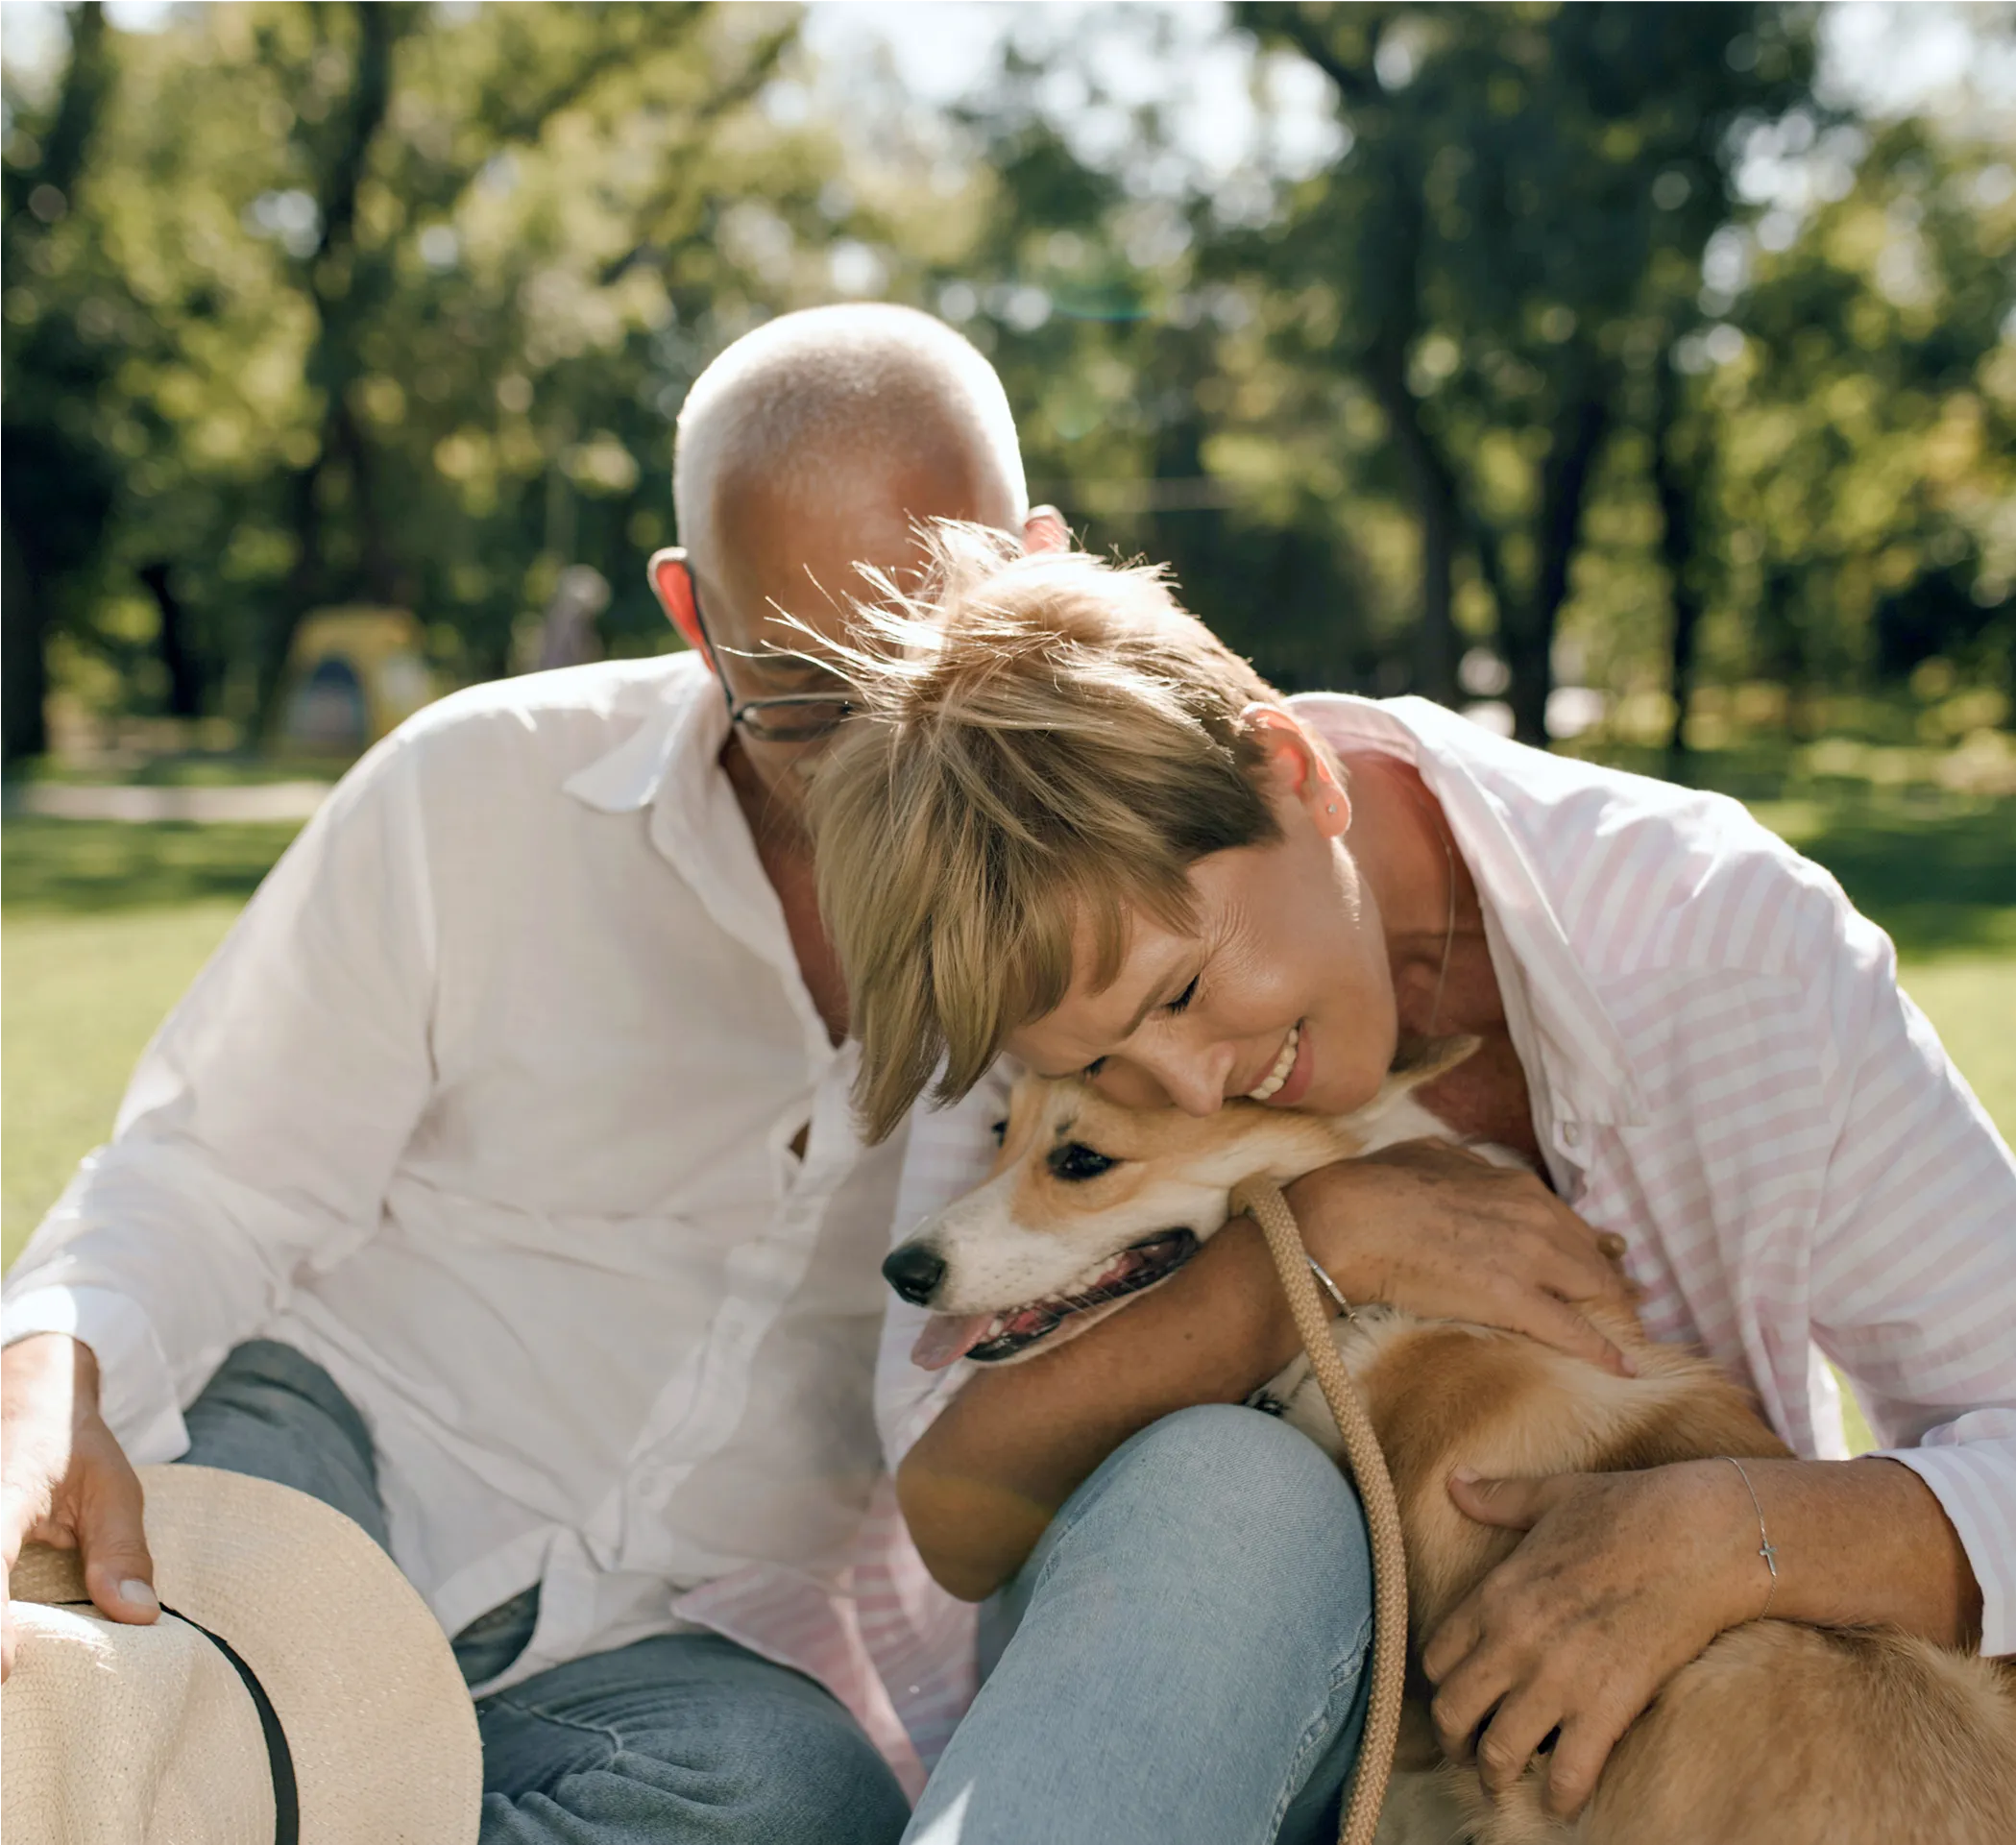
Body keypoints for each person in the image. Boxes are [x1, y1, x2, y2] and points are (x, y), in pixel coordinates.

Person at [0, 303, 1061, 1844]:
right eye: (806, 699)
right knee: (129, 1709)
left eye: (934, 670)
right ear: (694, 614)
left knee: (797, 1800)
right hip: (342, 1450)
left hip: (670, 1636)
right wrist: (47, 1365)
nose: (882, 761)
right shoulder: (473, 789)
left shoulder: (1116, 907)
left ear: (1036, 570)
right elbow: (214, 1174)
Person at [806, 526, 2016, 1843]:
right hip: (1212, 1703)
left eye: (1185, 992)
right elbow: (956, 1516)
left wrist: (1735, 1533)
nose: (1189, 1089)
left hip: (1677, 1754)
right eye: (1101, 1065)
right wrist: (1313, 1246)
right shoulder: (1030, 968)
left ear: (1292, 774)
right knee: (1228, 1481)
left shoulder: (1728, 944)